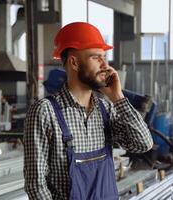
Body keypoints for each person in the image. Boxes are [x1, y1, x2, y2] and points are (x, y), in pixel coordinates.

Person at [23, 22, 153, 200]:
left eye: (104, 57)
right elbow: (36, 184)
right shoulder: (45, 112)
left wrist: (118, 98)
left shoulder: (106, 109)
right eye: (96, 57)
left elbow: (143, 144)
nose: (104, 65)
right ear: (74, 62)